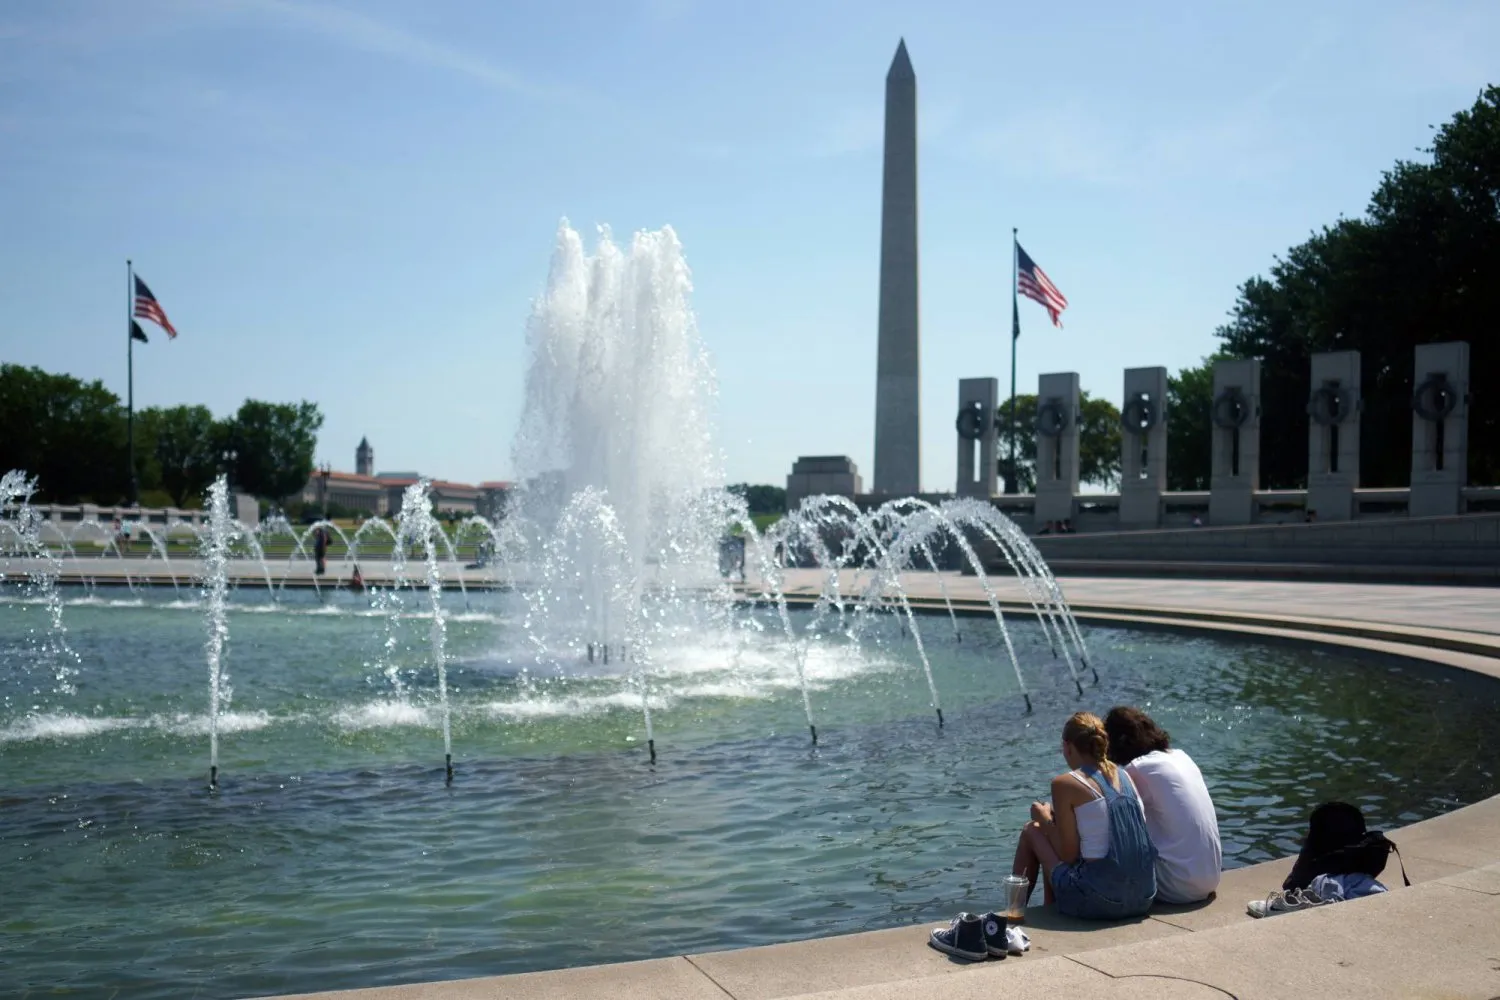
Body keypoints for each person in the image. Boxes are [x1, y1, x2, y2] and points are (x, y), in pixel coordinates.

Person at [1012, 712, 1158, 919]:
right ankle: (1050, 906)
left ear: (1068, 746)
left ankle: (1013, 913)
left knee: (1032, 830)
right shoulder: (1124, 775)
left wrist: (1042, 818)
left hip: (1102, 901)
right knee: (1052, 830)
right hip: (1145, 896)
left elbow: (1068, 855)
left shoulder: (1064, 783)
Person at [1104, 706, 1222, 904]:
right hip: (1211, 877)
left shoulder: (1138, 769)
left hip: (1179, 885)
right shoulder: (1181, 756)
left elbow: (1103, 814)